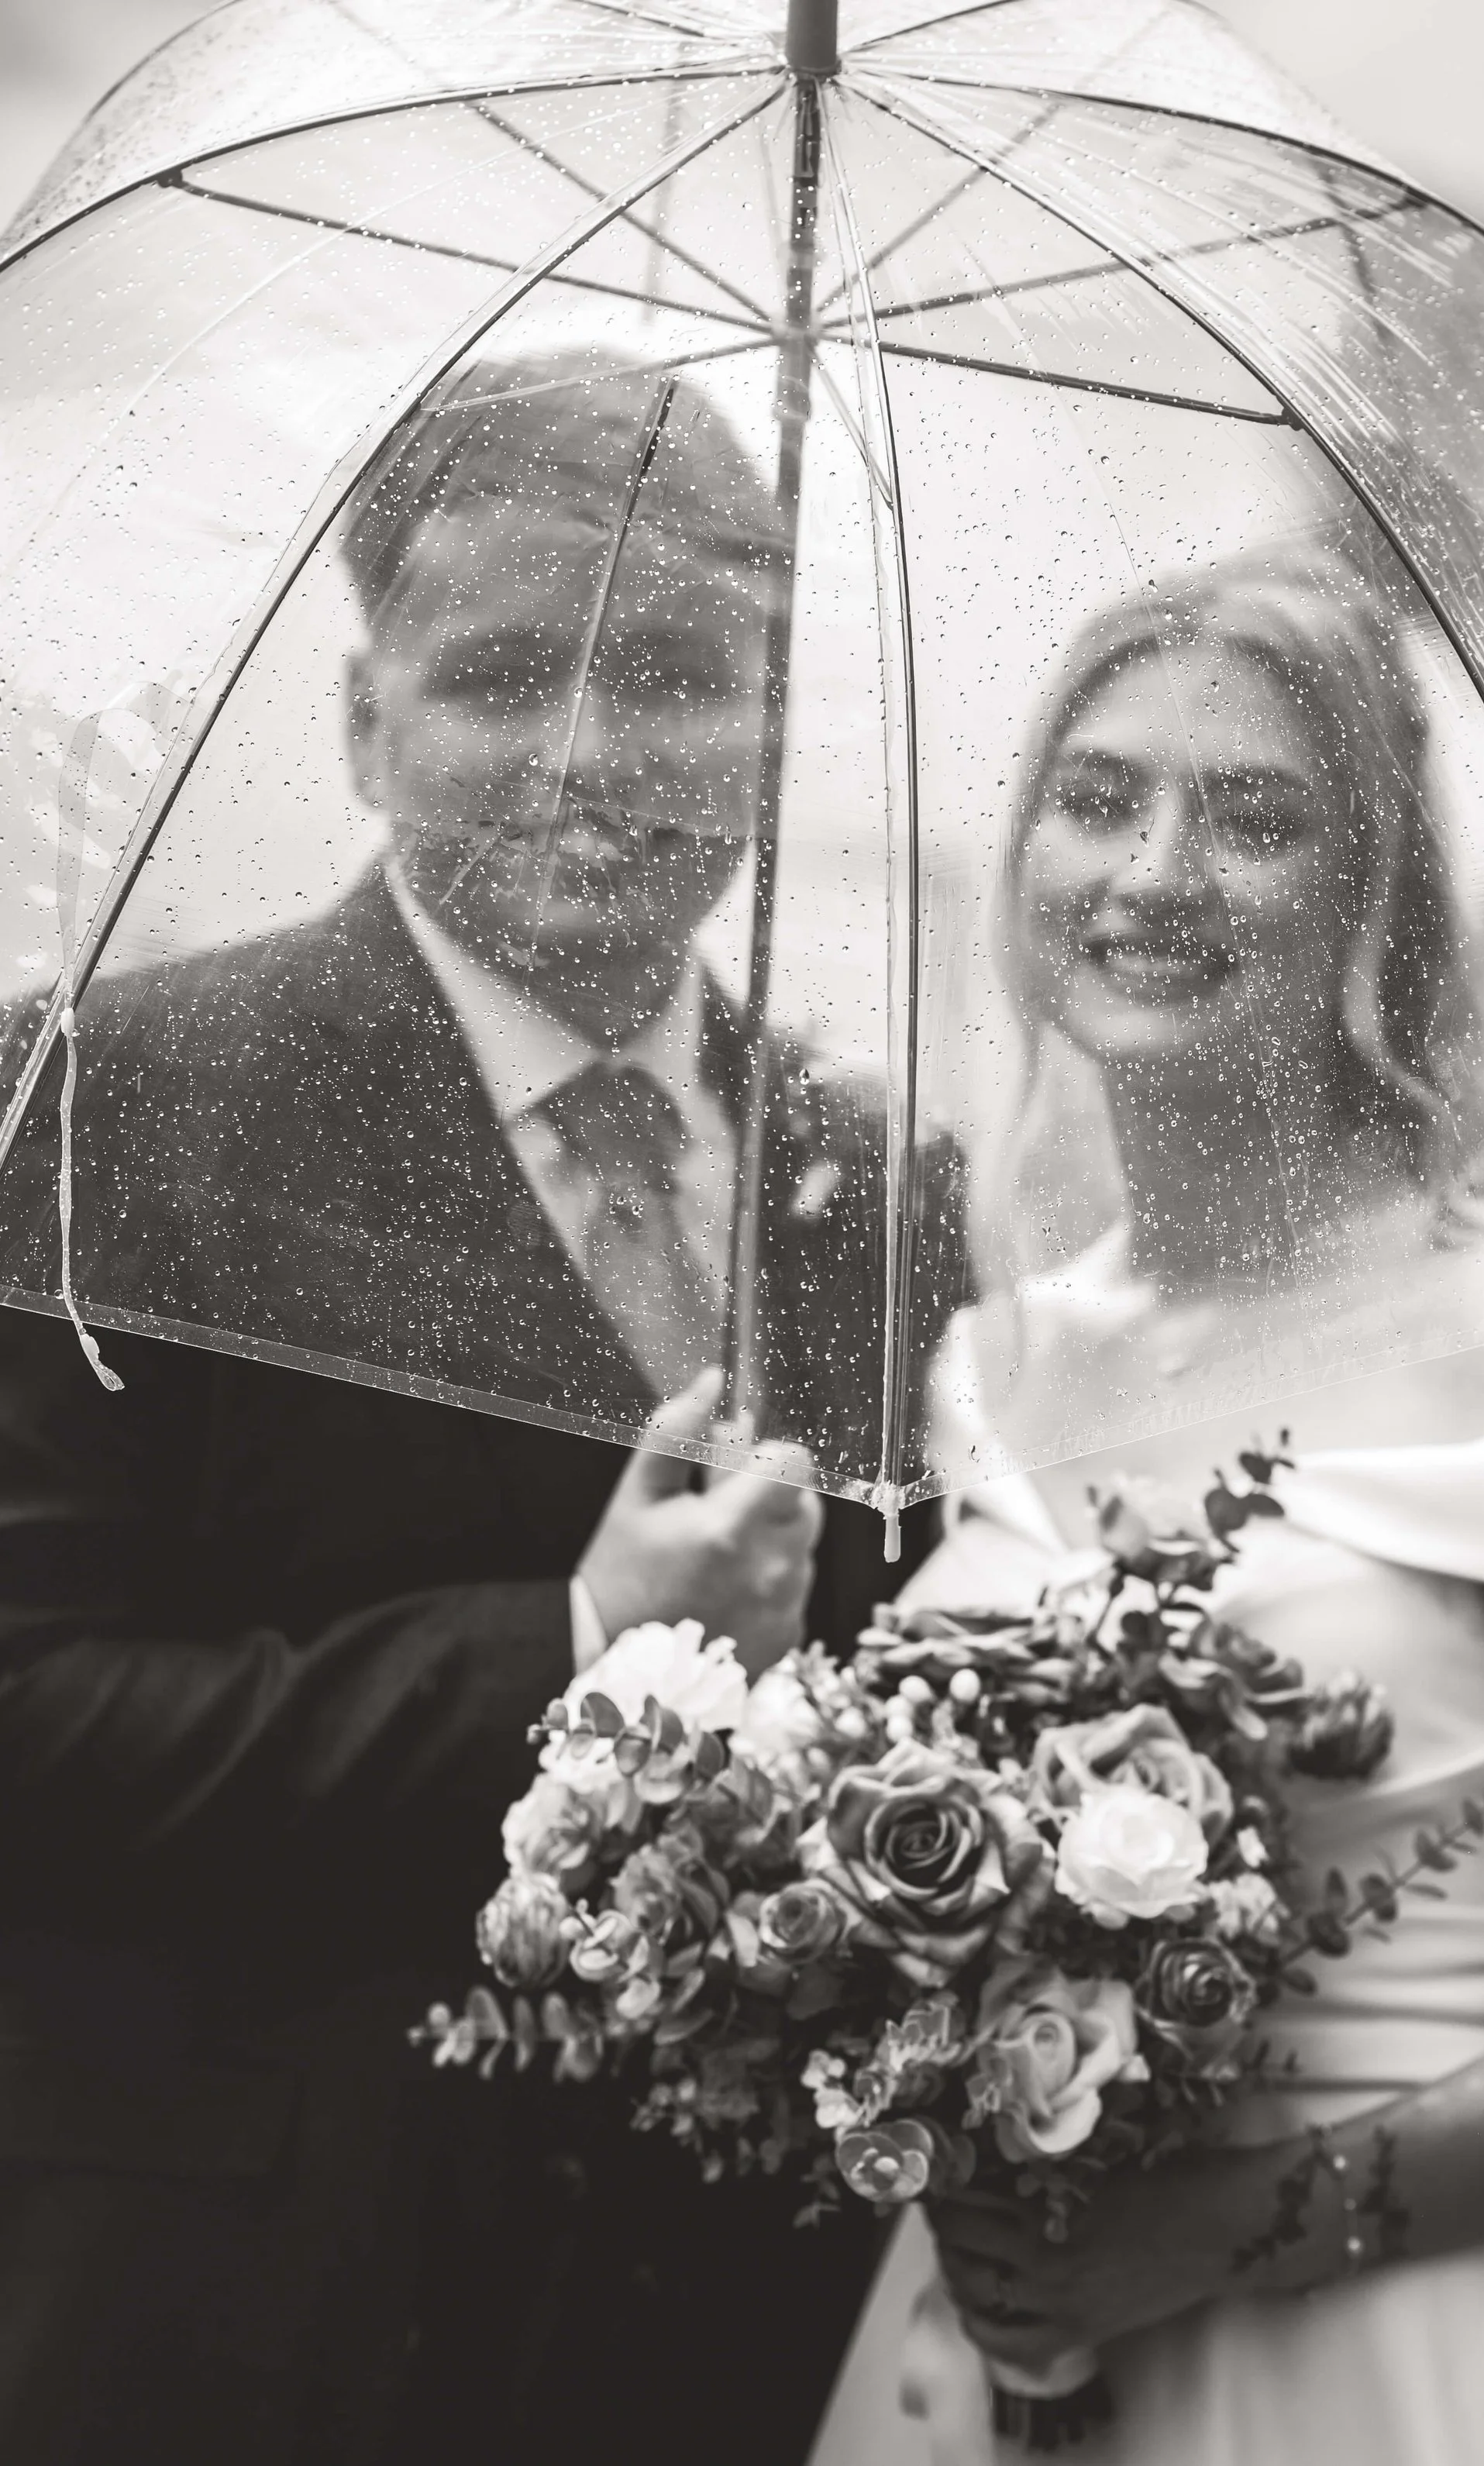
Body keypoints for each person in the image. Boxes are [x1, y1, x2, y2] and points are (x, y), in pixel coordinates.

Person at [0, 349, 959, 2466]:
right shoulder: (103, 1108)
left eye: (680, 676)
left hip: (747, 2344)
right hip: (240, 2337)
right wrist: (579, 1648)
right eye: (507, 675)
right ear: (369, 720)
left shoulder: (884, 1188)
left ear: (771, 722)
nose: (595, 757)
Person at [809, 547, 1484, 2466]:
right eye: (1098, 795)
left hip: (1401, 2362)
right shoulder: (994, 1364)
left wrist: (1242, 2228)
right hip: (994, 2352)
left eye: (1255, 819)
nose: (1149, 875)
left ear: (1371, 901)